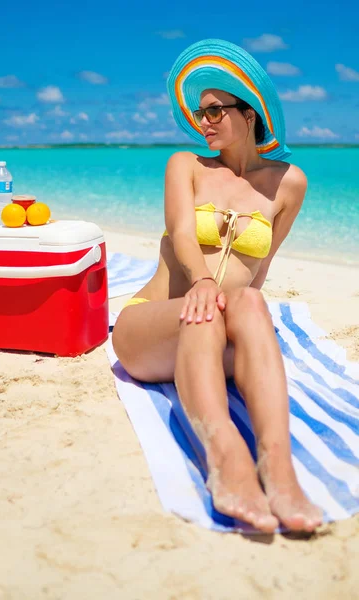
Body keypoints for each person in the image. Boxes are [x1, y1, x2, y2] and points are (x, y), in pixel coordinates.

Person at [112, 39, 322, 533]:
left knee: (247, 300)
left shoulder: (289, 184)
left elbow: (262, 265)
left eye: (213, 111)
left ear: (249, 113)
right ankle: (225, 457)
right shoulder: (185, 166)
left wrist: (248, 327)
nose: (202, 122)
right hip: (152, 326)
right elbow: (184, 234)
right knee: (204, 310)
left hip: (214, 332)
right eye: (199, 113)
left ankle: (278, 465)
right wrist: (204, 280)